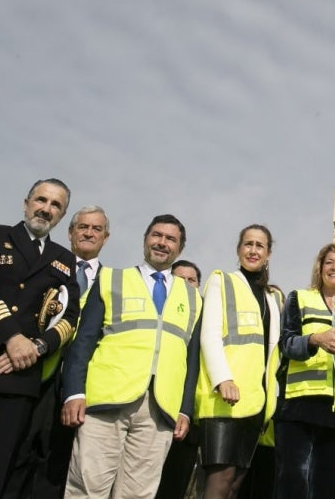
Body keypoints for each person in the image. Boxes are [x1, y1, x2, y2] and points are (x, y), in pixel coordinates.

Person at [61, 214, 202, 499]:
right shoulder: (111, 279)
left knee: (139, 494)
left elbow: (191, 359)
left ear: (180, 248)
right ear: (145, 239)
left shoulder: (193, 297)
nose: (162, 243)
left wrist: (185, 408)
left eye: (170, 239)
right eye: (157, 235)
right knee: (88, 488)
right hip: (106, 401)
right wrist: (73, 391)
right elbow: (83, 342)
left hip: (160, 408)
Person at [0, 178, 80, 499]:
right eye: (41, 200)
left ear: (62, 215)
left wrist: (37, 347)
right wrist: (12, 339)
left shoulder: (64, 260)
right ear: (26, 203)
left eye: (55, 205)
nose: (46, 208)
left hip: (20, 380)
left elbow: (69, 317)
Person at [5, 205, 112, 499]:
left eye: (96, 229)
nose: (89, 233)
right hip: (35, 373)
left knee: (56, 463)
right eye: (83, 227)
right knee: (17, 452)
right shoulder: (47, 266)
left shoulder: (112, 283)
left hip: (76, 387)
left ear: (106, 237)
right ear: (70, 232)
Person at [276, 242, 335, 498]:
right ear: (320, 268)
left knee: (326, 490)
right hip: (299, 407)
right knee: (292, 487)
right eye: (329, 262)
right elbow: (285, 344)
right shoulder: (300, 298)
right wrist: (315, 339)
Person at [197, 225, 284, 499]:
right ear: (238, 249)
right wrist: (223, 378)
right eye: (248, 244)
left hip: (257, 402)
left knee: (235, 484)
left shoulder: (274, 297)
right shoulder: (221, 281)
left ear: (268, 253)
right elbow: (209, 335)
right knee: (218, 482)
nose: (253, 250)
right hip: (225, 399)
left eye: (260, 245)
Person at [156, 260, 206, 499]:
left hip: (191, 421)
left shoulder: (207, 320)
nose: (186, 285)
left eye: (191, 280)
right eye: (179, 279)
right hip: (158, 413)